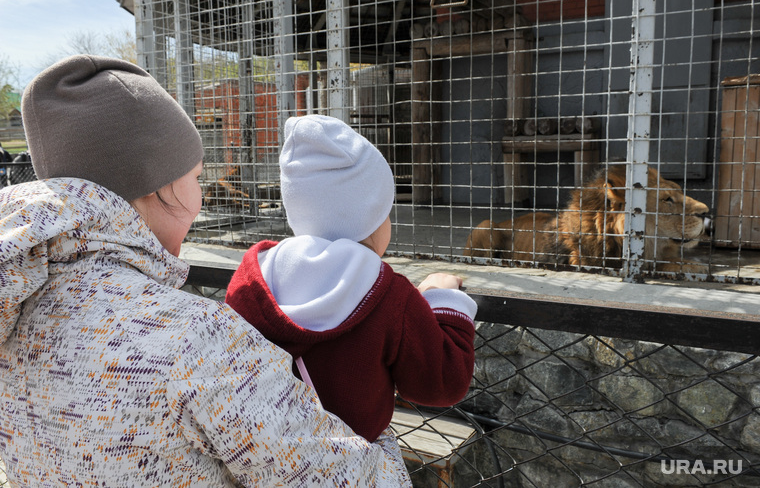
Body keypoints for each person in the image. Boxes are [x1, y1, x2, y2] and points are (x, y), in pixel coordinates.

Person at [0, 55, 411, 487]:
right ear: (160, 184)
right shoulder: (196, 340)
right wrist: (373, 419)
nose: (200, 200)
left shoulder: (16, 305)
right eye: (197, 176)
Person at [225, 114, 478, 443]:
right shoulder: (388, 294)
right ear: (371, 218)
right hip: (350, 464)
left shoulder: (249, 281)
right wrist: (442, 300)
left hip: (263, 458)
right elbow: (442, 383)